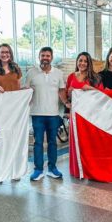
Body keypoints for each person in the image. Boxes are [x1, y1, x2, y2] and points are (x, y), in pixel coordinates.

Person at [25, 47, 68, 181]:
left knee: (52, 143)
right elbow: (26, 91)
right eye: (43, 55)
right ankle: (38, 170)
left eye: (47, 55)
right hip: (37, 113)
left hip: (53, 114)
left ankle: (52, 168)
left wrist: (67, 104)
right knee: (38, 142)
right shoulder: (31, 73)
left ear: (52, 57)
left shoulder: (58, 73)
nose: (45, 58)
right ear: (39, 57)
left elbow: (61, 91)